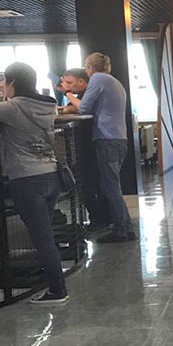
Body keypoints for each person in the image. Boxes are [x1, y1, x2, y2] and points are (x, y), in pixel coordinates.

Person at [0, 63, 68, 305]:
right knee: (45, 235)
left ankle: (57, 290)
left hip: (27, 178)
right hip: (51, 174)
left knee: (42, 238)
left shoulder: (13, 108)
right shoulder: (48, 105)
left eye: (5, 82)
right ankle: (55, 285)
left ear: (11, 83)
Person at [65, 52, 135, 244]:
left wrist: (68, 94)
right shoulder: (113, 81)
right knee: (111, 185)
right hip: (119, 138)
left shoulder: (97, 79)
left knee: (110, 186)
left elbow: (84, 108)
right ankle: (126, 228)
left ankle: (121, 231)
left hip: (107, 139)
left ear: (89, 68)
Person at [57, 68, 111, 233]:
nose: (67, 86)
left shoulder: (89, 93)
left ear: (81, 81)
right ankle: (104, 218)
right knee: (94, 183)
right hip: (92, 144)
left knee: (90, 184)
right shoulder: (82, 95)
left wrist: (67, 94)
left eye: (70, 83)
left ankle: (99, 219)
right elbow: (73, 108)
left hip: (94, 144)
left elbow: (81, 108)